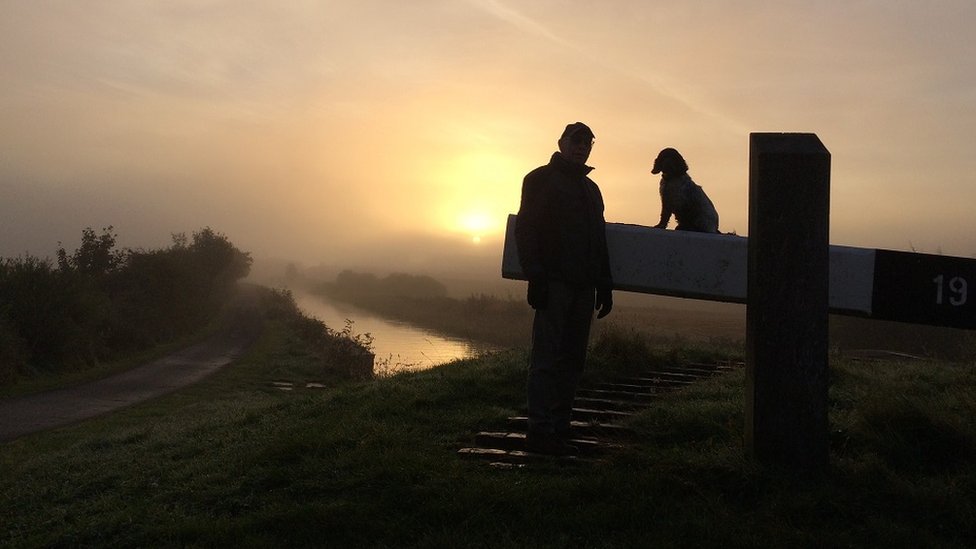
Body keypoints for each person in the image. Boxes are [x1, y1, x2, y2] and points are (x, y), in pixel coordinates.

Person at [514, 121, 614, 456]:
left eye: (587, 143)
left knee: (573, 359)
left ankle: (560, 424)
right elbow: (525, 230)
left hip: (584, 287)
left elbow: (598, 240)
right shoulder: (538, 179)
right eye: (575, 140)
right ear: (561, 143)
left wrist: (605, 285)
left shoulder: (592, 190)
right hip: (553, 284)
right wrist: (536, 277)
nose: (581, 147)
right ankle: (539, 429)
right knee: (546, 357)